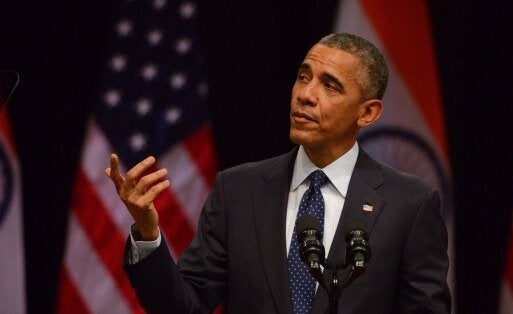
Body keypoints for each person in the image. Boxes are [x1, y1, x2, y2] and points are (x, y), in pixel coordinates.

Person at [106, 33, 451, 313]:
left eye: (329, 85)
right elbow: (183, 307)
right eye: (303, 77)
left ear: (368, 113)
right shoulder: (238, 190)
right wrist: (149, 234)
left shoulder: (409, 204)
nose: (305, 95)